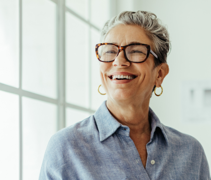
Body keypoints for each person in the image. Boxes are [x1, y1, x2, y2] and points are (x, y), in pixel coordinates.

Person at [39, 11, 210, 180]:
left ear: (159, 74)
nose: (119, 61)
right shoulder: (65, 148)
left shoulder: (191, 152)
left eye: (136, 51)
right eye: (110, 51)